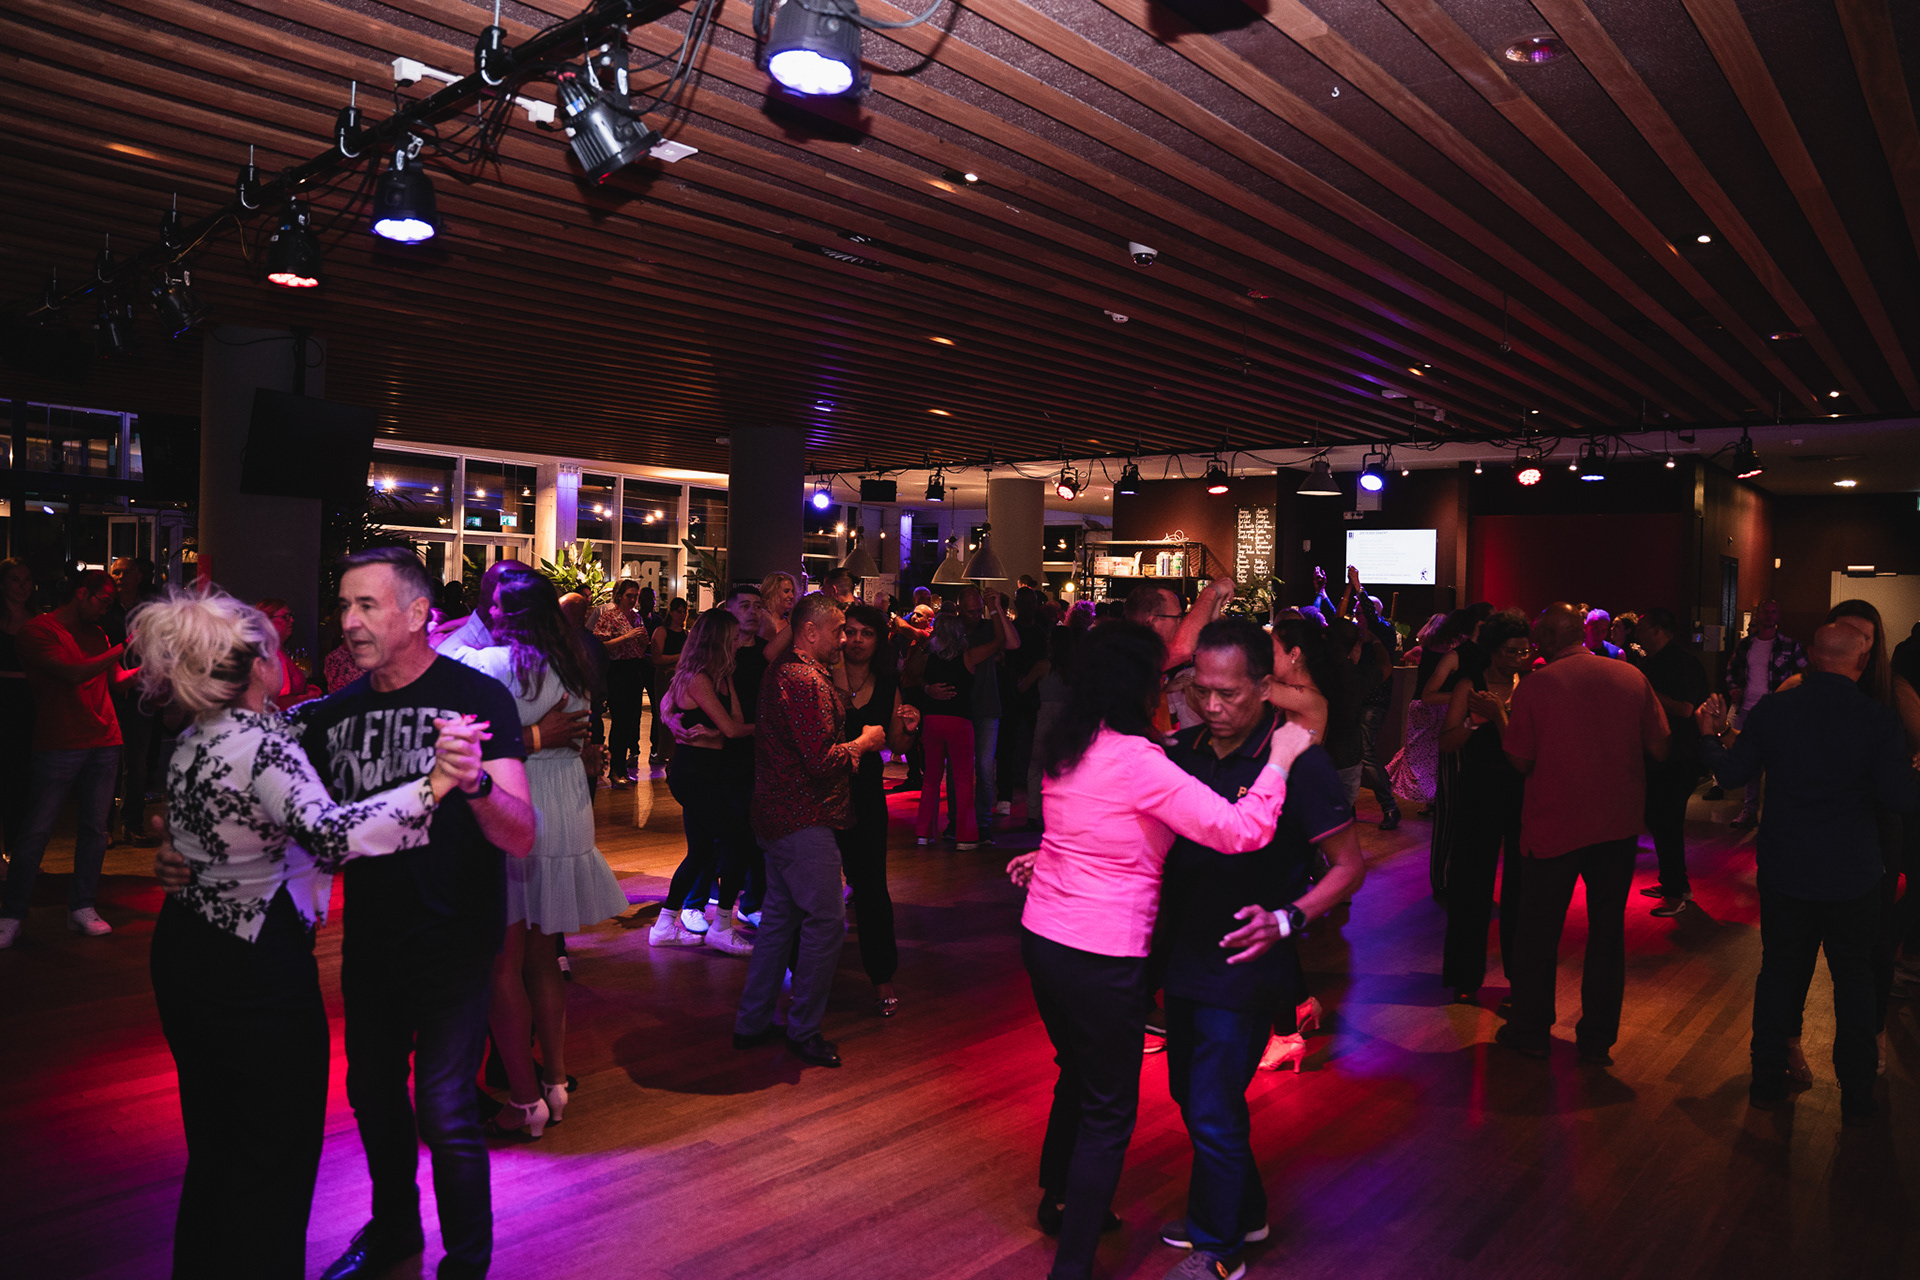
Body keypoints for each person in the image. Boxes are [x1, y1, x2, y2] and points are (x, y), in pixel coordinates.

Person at [131, 587, 485, 1279]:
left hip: (186, 951)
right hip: (252, 969)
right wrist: (436, 784)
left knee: (219, 1149)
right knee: (275, 1152)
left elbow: (201, 809)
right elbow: (332, 834)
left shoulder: (199, 734)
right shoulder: (264, 747)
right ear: (260, 664)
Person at [208, 547, 535, 1280]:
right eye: (344, 606)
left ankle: (467, 1263)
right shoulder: (334, 714)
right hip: (374, 939)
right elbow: (299, 822)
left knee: (444, 1107)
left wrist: (476, 783)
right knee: (374, 1096)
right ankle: (395, 1233)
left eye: (367, 606)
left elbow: (521, 835)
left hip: (455, 935)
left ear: (417, 614)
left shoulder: (476, 697)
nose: (349, 622)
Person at [1004, 620, 1313, 1280]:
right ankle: (1072, 1268)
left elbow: (1084, 834)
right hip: (1101, 953)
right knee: (1109, 1115)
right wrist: (1281, 759)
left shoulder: (1073, 741)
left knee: (1077, 1071)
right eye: (1167, 679)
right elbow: (1241, 830)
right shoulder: (1140, 762)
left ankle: (1061, 1201)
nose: (1182, 692)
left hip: (1044, 939)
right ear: (1140, 688)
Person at [1151, 619, 1362, 1275]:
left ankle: (1219, 1248)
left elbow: (1349, 866)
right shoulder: (1184, 749)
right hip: (1185, 953)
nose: (1213, 706)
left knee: (1214, 1104)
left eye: (1230, 694)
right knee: (1188, 1093)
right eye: (1202, 691)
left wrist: (1288, 919)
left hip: (1246, 962)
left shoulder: (1298, 760)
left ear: (1265, 687)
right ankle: (1243, 1211)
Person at [1696, 624, 1920, 1123]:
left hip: (1787, 869)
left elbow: (1730, 774)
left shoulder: (1775, 710)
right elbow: (1901, 799)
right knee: (1855, 982)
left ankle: (1765, 1082)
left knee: (1779, 972)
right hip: (1853, 876)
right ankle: (1857, 1097)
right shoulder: (1878, 719)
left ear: (1813, 657)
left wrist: (1708, 735)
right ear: (1861, 663)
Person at [447, 573, 629, 1139]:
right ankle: (555, 1079)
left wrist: (454, 628)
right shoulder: (574, 664)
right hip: (566, 807)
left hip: (519, 807)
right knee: (543, 957)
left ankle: (526, 1101)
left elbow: (443, 667)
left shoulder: (493, 665)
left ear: (509, 613)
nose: (491, 615)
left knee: (502, 963)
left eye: (497, 607)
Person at [1496, 602, 1669, 1064]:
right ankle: (1596, 1040)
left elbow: (1522, 762)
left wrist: (1499, 722)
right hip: (1617, 823)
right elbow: (1659, 746)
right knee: (1607, 934)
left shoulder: (1537, 685)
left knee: (1538, 933)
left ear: (1550, 639)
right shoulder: (1631, 677)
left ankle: (1531, 1031)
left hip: (1554, 823)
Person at [732, 592, 887, 1069]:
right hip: (803, 820)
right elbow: (821, 761)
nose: (844, 640)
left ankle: (752, 1021)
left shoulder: (788, 673)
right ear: (811, 631)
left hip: (778, 817)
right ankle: (803, 1030)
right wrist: (864, 743)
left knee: (780, 921)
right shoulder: (803, 679)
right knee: (826, 923)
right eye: (839, 631)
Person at [0, 569, 136, 947]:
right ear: (82, 593)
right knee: (36, 831)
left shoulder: (98, 634)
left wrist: (152, 672)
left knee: (95, 831)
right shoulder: (37, 631)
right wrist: (124, 647)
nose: (106, 609)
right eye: (103, 601)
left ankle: (82, 907)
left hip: (105, 739)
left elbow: (116, 681)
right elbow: (72, 674)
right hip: (59, 740)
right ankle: (11, 914)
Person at [1436, 610, 1533, 1001]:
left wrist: (1499, 715)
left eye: (1524, 651)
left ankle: (1521, 980)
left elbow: (1528, 750)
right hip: (1478, 788)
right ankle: (1466, 978)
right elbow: (1447, 743)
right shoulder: (1469, 684)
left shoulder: (1530, 686)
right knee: (1470, 886)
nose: (1519, 658)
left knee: (1520, 890)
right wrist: (1475, 722)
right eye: (1511, 651)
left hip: (1522, 788)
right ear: (1493, 650)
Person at [832, 603, 921, 1015]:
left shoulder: (887, 684)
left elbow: (898, 745)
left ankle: (882, 976)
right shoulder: (822, 675)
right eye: (850, 631)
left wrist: (911, 726)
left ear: (878, 639)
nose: (856, 640)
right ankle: (801, 971)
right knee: (811, 888)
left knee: (871, 888)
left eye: (865, 633)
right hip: (821, 790)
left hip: (866, 792)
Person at [654, 608, 759, 954]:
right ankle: (722, 926)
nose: (739, 642)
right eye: (733, 637)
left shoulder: (722, 677)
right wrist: (769, 726)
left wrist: (717, 732)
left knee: (700, 851)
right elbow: (733, 728)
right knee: (738, 843)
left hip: (711, 771)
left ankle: (664, 926)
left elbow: (733, 726)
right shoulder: (697, 678)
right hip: (693, 773)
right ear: (719, 641)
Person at [916, 598, 1013, 849]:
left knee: (930, 778)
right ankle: (966, 836)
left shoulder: (928, 656)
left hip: (932, 721)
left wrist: (927, 689)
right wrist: (994, 609)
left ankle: (923, 833)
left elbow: (912, 677)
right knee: (963, 779)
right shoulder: (968, 657)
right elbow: (1000, 640)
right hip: (959, 722)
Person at [1633, 609, 1710, 917]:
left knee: (1665, 821)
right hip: (1662, 754)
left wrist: (1646, 692)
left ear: (1657, 630)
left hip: (1680, 755)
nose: (1637, 634)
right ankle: (1674, 884)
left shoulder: (1681, 662)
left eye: (1642, 628)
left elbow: (1687, 708)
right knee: (1660, 820)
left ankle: (1676, 892)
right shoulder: (1652, 661)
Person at [1720, 599, 1807, 830]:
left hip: (1779, 712)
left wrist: (1794, 696)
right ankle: (1749, 810)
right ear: (1757, 615)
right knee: (1750, 762)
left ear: (1778, 615)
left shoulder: (1790, 645)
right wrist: (1733, 688)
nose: (1769, 615)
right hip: (1748, 709)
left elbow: (1807, 672)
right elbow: (1730, 669)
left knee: (1780, 763)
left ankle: (1778, 812)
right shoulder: (1745, 645)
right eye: (1765, 611)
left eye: (1773, 611)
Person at [107, 556, 163, 848]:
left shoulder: (149, 609)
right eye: (116, 572)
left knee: (137, 763)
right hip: (109, 690)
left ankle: (132, 824)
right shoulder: (105, 608)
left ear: (138, 576)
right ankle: (104, 827)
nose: (120, 577)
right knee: (108, 762)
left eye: (126, 572)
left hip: (141, 690)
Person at [959, 586, 1021, 836]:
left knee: (985, 769)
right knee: (961, 770)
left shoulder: (988, 626)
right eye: (970, 611)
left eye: (978, 610)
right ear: (960, 608)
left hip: (986, 707)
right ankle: (960, 821)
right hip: (960, 707)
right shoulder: (955, 628)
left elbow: (1013, 643)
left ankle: (982, 822)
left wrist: (996, 609)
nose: (975, 615)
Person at [591, 578, 650, 786]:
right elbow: (600, 645)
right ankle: (616, 769)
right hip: (617, 670)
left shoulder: (636, 617)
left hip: (634, 669)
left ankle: (622, 767)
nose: (633, 600)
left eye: (635, 596)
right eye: (629, 596)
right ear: (619, 596)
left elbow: (641, 647)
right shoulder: (609, 616)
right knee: (620, 720)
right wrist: (626, 637)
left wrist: (642, 640)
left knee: (631, 720)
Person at [0, 558, 37, 871]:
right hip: (4, 700)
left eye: (26, 580)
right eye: (15, 579)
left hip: (28, 704)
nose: (23, 586)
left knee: (21, 778)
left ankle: (16, 851)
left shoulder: (37, 620)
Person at [256, 598, 324, 708]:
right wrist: (308, 698)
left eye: (291, 615)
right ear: (267, 621)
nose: (292, 620)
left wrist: (307, 690)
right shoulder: (271, 655)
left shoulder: (278, 651)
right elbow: (279, 702)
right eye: (285, 616)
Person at [647, 597, 689, 767]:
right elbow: (657, 658)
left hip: (680, 678)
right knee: (665, 714)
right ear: (671, 612)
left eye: (685, 612)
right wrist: (680, 656)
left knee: (679, 715)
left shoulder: (686, 634)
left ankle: (674, 754)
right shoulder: (662, 631)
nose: (682, 615)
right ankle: (662, 751)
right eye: (679, 611)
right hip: (665, 677)